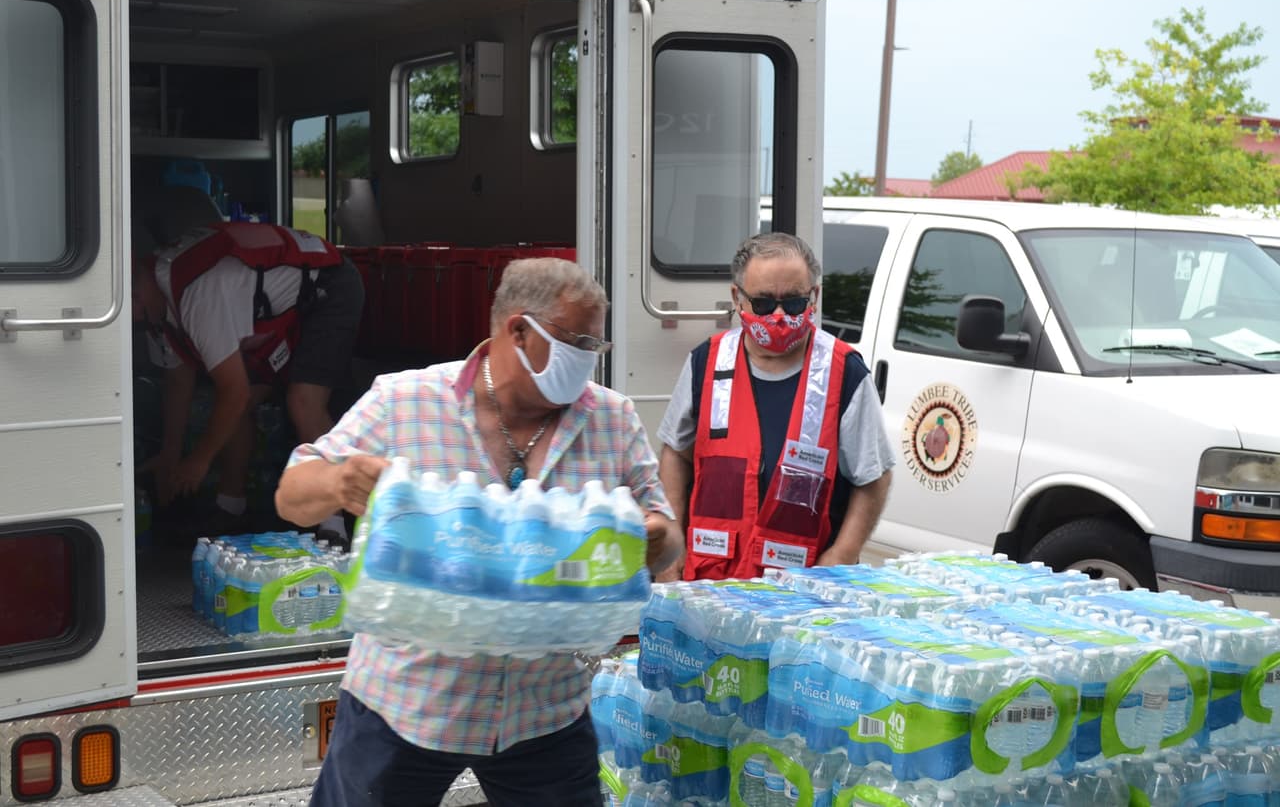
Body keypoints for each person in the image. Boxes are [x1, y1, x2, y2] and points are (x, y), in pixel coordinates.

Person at [275, 257, 682, 807]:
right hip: (405, 705)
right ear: (518, 329)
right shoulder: (405, 401)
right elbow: (291, 497)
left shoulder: (611, 419)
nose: (587, 359)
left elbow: (666, 534)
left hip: (545, 711)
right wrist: (337, 481)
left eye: (596, 347)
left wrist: (654, 538)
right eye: (577, 343)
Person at [656, 232, 894, 581]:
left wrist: (842, 555)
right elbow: (676, 453)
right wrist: (671, 548)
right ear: (738, 298)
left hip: (803, 593)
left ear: (815, 295)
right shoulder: (706, 362)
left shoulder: (845, 372)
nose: (780, 316)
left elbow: (873, 476)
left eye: (794, 303)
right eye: (765, 303)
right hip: (709, 584)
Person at [132, 189, 363, 541]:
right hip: (268, 310)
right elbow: (178, 383)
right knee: (236, 410)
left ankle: (334, 525)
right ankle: (231, 508)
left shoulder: (197, 296)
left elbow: (234, 392)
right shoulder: (156, 306)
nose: (131, 320)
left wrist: (198, 460)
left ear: (139, 287)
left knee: (303, 402)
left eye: (131, 308)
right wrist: (170, 454)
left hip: (326, 287)